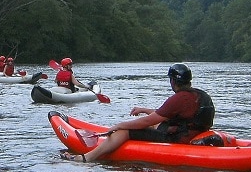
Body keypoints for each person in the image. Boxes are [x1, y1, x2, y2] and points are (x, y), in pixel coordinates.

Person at [60, 63, 215, 162]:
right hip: (193, 133)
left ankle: (87, 158)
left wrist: (120, 125)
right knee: (153, 122)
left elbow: (147, 122)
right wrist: (145, 110)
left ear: (173, 81)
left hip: (180, 139)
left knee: (126, 131)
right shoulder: (199, 94)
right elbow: (166, 115)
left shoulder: (179, 98)